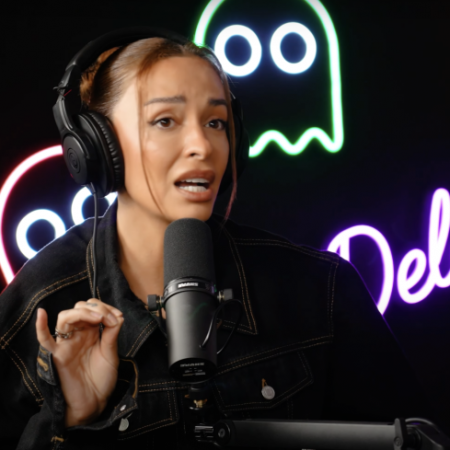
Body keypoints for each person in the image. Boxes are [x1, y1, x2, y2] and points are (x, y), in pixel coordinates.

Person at [0, 29, 430, 450]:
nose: (202, 146)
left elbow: (415, 437)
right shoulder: (37, 308)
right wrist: (68, 420)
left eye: (215, 122)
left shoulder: (320, 290)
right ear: (98, 146)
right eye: (165, 121)